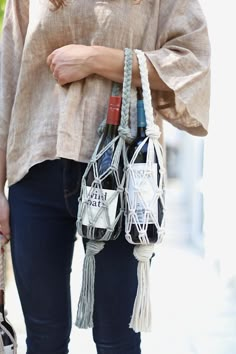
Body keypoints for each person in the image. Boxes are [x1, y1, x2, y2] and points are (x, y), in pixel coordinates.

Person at [0, 0, 210, 353]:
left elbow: (190, 62)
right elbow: (6, 79)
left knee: (118, 340)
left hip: (125, 175)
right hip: (36, 167)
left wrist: (95, 59)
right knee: (44, 341)